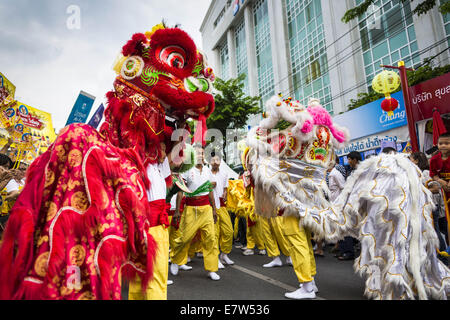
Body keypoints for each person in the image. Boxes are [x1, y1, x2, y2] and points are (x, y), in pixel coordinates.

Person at [170, 144, 220, 281]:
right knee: (184, 238)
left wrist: (214, 210)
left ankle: (211, 269)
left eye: (202, 153)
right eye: (197, 153)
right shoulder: (187, 170)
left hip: (206, 210)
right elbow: (181, 191)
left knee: (210, 239)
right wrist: (177, 211)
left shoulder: (207, 170)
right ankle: (175, 260)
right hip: (191, 209)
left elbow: (210, 191)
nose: (200, 155)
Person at [128, 142, 171, 300]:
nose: (165, 153)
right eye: (163, 149)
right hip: (149, 228)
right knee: (152, 275)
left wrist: (181, 131)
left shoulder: (160, 166)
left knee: (145, 274)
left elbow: (175, 161)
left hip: (158, 225)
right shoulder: (143, 164)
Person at [209, 154, 234, 266]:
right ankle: (216, 258)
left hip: (222, 206)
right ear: (210, 162)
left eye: (218, 160)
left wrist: (225, 194)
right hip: (210, 206)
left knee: (229, 231)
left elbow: (225, 189)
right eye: (213, 160)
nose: (215, 162)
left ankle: (224, 254)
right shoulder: (206, 173)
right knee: (215, 234)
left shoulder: (224, 174)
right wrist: (209, 186)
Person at [337, 151, 361, 261]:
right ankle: (349, 251)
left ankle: (350, 252)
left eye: (350, 159)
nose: (348, 161)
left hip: (358, 204)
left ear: (355, 159)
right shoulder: (351, 171)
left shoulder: (361, 171)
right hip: (350, 203)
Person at [429, 132, 450, 247]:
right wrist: (441, 182)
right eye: (441, 143)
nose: (443, 146)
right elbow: (433, 174)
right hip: (444, 196)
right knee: (448, 223)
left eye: (447, 143)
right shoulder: (434, 160)